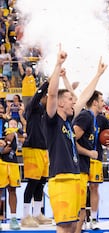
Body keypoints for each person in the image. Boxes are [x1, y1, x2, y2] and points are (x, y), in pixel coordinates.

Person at [45, 46, 107, 233]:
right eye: (70, 99)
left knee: (73, 226)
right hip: (61, 178)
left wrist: (98, 75)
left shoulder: (68, 122)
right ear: (61, 103)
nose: (74, 101)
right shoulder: (52, 120)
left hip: (73, 177)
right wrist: (58, 65)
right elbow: (52, 94)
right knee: (64, 227)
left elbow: (85, 97)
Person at [21, 80, 53, 228]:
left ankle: (37, 214)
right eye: (48, 96)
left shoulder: (46, 112)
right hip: (32, 148)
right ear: (43, 97)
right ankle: (25, 215)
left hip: (43, 149)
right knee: (32, 182)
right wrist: (47, 82)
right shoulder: (32, 107)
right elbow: (36, 96)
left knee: (41, 182)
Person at [73, 90, 104, 233]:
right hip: (78, 166)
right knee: (78, 209)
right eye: (101, 101)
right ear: (95, 102)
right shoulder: (85, 116)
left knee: (81, 209)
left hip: (83, 166)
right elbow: (71, 141)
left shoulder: (91, 117)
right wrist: (89, 152)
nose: (103, 103)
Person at [0, 118, 25, 230]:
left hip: (13, 163)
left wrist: (16, 134)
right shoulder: (5, 132)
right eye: (11, 123)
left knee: (12, 190)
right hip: (2, 163)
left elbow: (24, 140)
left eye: (15, 123)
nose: (13, 124)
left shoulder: (17, 133)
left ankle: (14, 219)